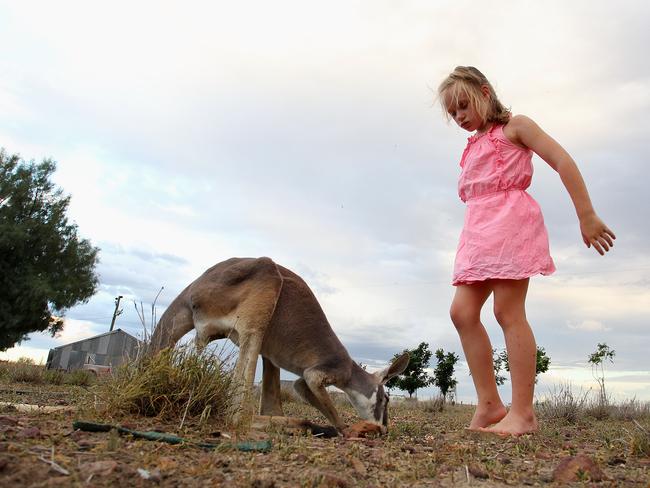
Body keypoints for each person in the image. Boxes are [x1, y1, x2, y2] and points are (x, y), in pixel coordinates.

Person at [437, 66, 615, 436]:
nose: (460, 117)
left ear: (485, 92)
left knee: (507, 310)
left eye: (464, 106)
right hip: (477, 232)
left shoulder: (515, 127)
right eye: (453, 113)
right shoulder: (470, 147)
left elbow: (562, 160)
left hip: (510, 225)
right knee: (462, 312)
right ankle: (489, 405)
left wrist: (586, 214)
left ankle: (523, 413)